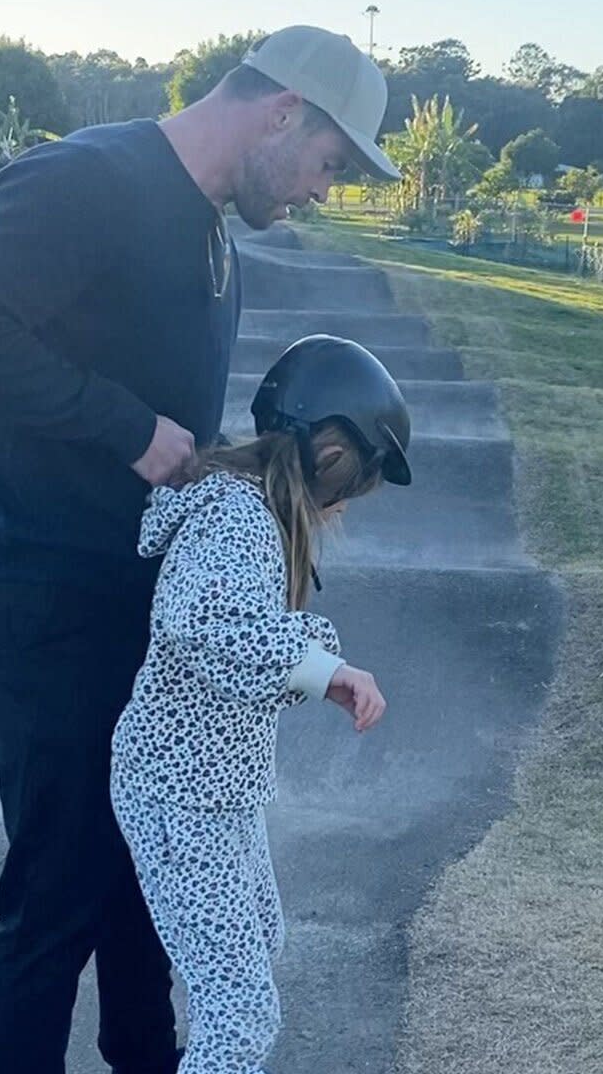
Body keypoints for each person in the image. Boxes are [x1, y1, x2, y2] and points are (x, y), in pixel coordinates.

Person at [0, 24, 401, 1074]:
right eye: (329, 163)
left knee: (147, 906)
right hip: (44, 600)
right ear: (281, 113)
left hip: (141, 615)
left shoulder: (214, 240)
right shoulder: (87, 181)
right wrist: (125, 426)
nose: (324, 189)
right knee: (56, 901)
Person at [110, 333, 412, 1074]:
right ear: (329, 453)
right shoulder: (238, 517)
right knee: (242, 1014)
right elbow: (204, 619)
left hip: (217, 790)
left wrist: (313, 667)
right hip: (180, 794)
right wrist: (325, 667)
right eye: (351, 486)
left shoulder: (250, 515)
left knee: (260, 942)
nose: (342, 506)